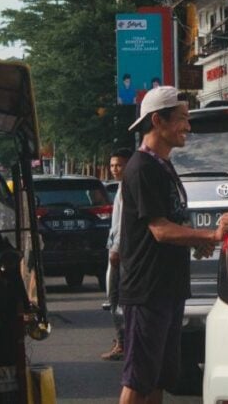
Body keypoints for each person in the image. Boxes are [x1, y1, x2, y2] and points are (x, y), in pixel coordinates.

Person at [117, 87, 228, 404]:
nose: (188, 127)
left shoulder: (163, 166)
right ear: (158, 120)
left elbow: (172, 221)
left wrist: (193, 242)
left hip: (169, 287)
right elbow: (159, 230)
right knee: (138, 379)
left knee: (159, 377)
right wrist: (211, 236)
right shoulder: (142, 168)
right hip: (147, 289)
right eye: (182, 119)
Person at [101, 147, 133, 361]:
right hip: (118, 249)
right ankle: (123, 340)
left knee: (116, 298)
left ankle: (122, 342)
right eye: (112, 165)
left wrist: (116, 249)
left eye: (119, 165)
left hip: (120, 252)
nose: (114, 169)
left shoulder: (128, 188)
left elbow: (123, 224)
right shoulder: (122, 187)